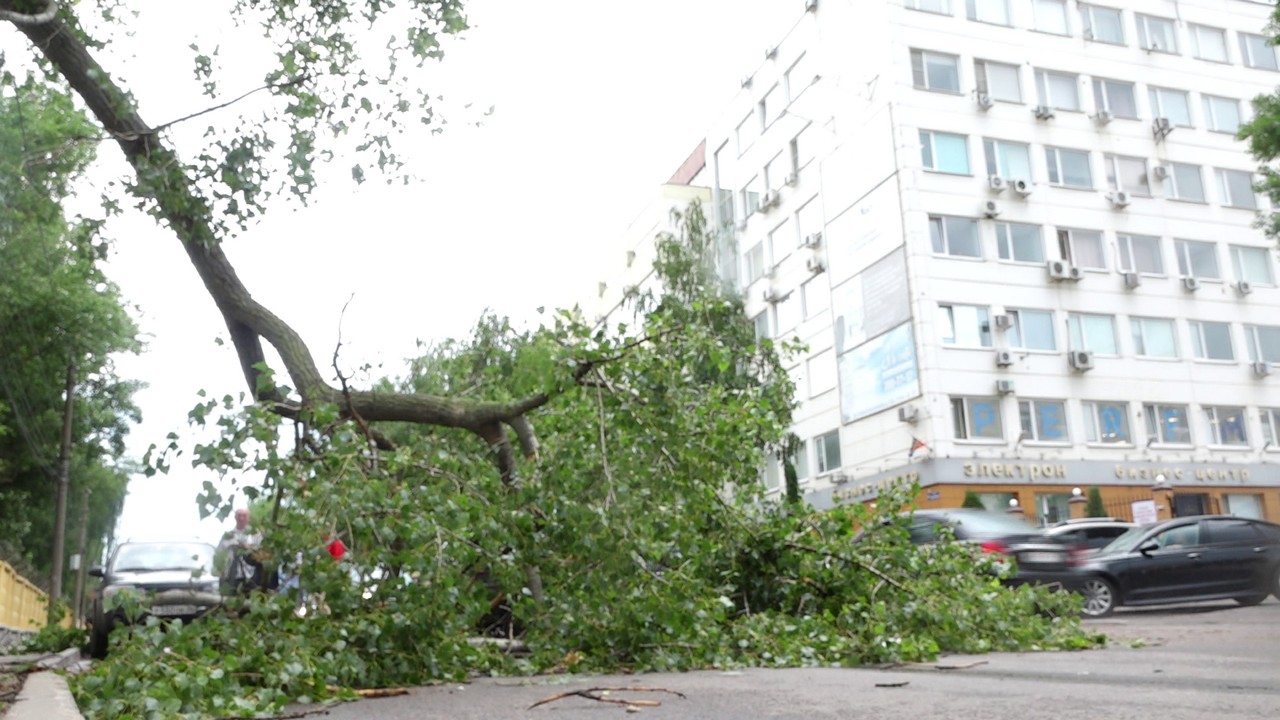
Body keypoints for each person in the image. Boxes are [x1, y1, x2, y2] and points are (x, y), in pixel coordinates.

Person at [217, 507, 263, 595]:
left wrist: (247, 548)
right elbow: (219, 554)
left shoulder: (256, 535)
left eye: (244, 516)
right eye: (239, 515)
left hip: (250, 577)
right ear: (235, 517)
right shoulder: (227, 536)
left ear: (249, 518)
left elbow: (261, 555)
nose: (241, 518)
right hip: (229, 577)